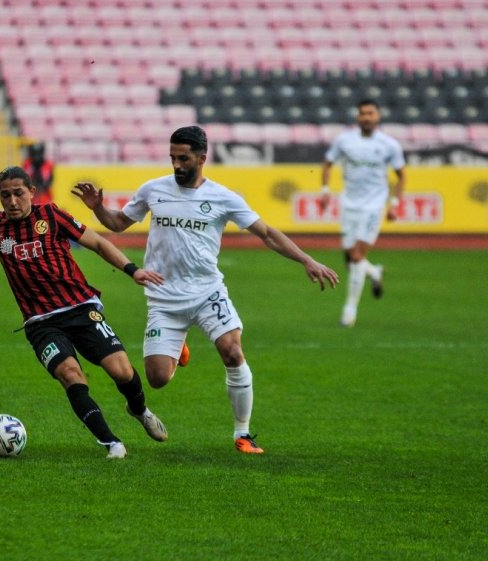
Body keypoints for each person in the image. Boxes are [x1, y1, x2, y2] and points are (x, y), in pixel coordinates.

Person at [72, 126, 338, 454]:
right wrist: (97, 207)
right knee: (157, 379)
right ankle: (179, 344)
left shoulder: (223, 197)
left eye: (183, 158)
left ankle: (243, 434)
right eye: (172, 158)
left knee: (233, 351)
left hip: (207, 292)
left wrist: (306, 260)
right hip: (164, 297)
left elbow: (267, 233)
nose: (177, 165)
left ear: (202, 157)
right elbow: (117, 223)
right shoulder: (153, 190)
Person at [0, 166, 167, 459]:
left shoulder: (51, 216)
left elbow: (98, 242)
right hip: (41, 323)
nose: (12, 201)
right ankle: (111, 443)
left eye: (18, 194)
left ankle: (139, 410)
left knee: (122, 371)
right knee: (71, 375)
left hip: (81, 308)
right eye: (5, 195)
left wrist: (132, 270)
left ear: (31, 193)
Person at [319, 99, 406, 327]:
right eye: (363, 113)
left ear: (378, 116)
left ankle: (349, 312)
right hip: (349, 204)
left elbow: (401, 175)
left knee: (357, 256)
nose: (366, 117)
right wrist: (325, 191)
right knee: (351, 260)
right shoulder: (344, 140)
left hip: (373, 206)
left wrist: (394, 203)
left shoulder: (389, 145)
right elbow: (327, 163)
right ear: (358, 117)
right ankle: (375, 272)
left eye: (371, 113)